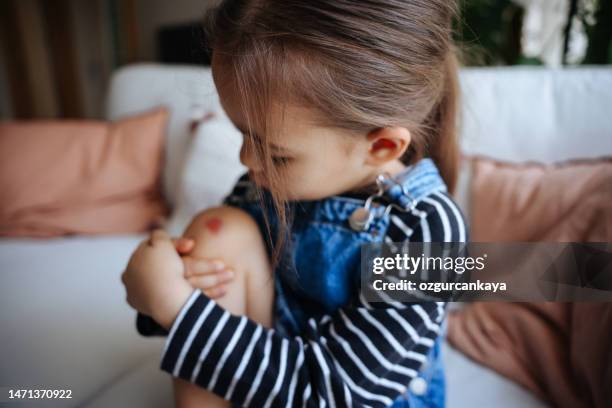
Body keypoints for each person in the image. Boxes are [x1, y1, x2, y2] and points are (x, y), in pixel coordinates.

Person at [121, 0, 468, 406]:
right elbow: (212, 300)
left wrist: (175, 306)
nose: (247, 161)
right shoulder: (262, 187)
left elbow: (338, 393)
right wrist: (161, 290)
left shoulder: (427, 230)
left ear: (382, 146)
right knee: (218, 229)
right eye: (242, 135)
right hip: (272, 382)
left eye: (276, 154)